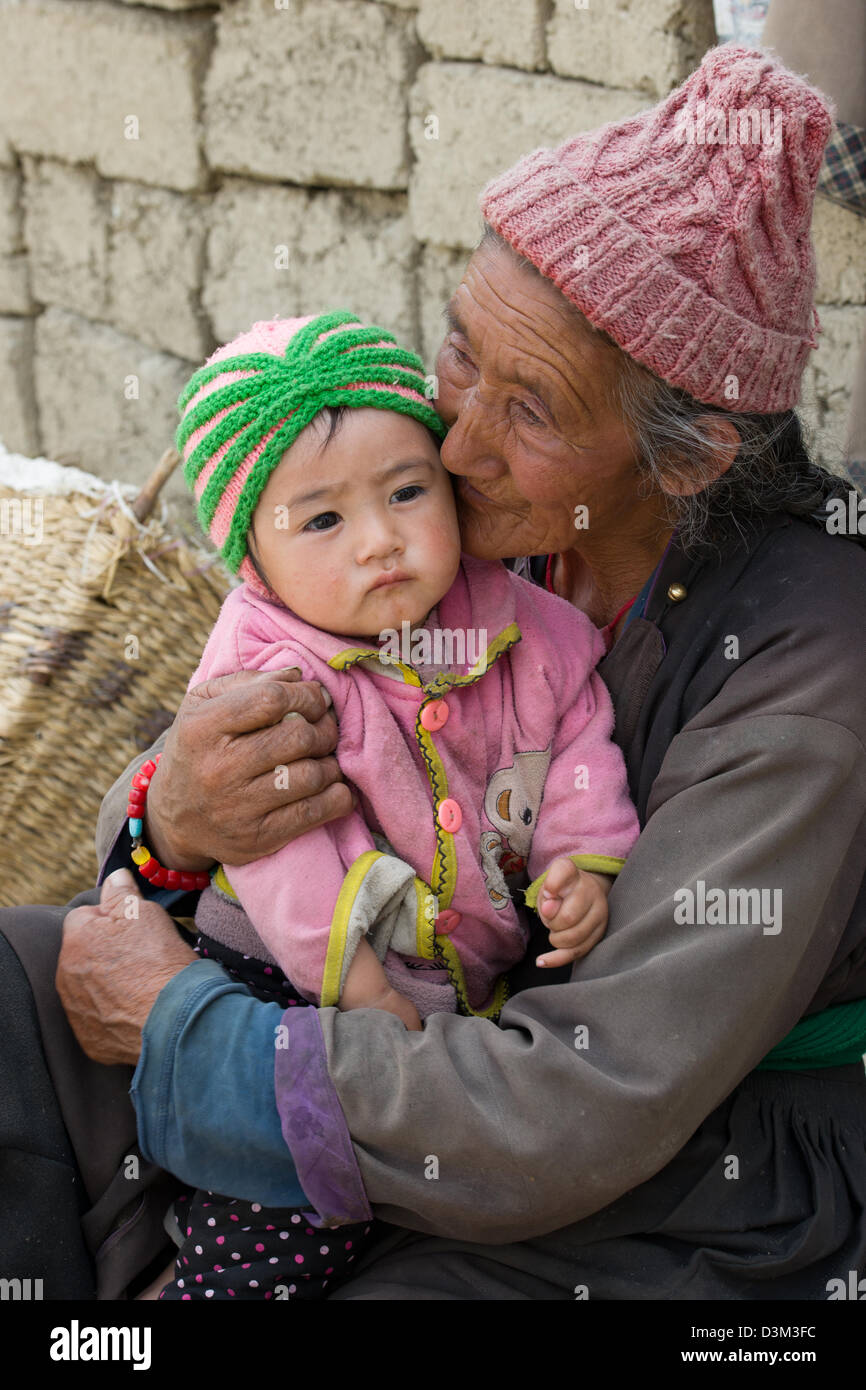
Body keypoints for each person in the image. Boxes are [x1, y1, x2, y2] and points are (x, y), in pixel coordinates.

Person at [4, 43, 866, 1301]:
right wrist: (170, 817)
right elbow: (224, 758)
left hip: (683, 1160)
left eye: (529, 410)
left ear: (683, 459)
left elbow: (585, 1103)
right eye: (459, 351)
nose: (452, 442)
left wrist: (202, 1045)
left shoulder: (806, 675)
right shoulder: (447, 531)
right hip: (390, 1011)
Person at [147, 309, 637, 1300]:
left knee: (416, 1207)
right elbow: (275, 848)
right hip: (290, 980)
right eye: (322, 520)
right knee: (288, 1207)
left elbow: (578, 730)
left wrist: (581, 858)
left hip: (459, 991)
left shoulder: (516, 620)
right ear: (253, 557)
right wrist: (354, 980)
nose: (380, 541)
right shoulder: (266, 670)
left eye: (407, 492)